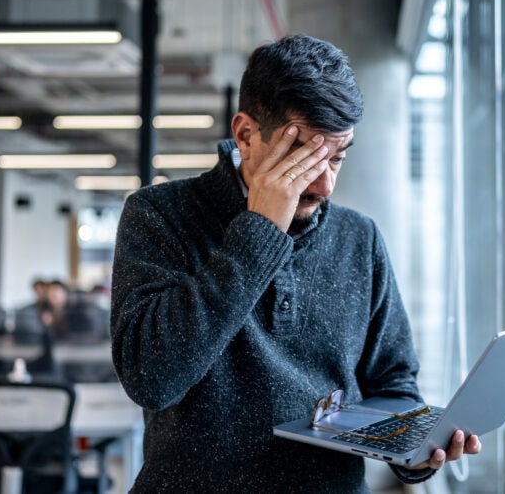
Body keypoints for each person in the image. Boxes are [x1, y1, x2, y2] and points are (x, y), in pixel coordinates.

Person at [110, 34, 480, 492]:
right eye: (305, 157)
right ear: (245, 135)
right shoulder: (159, 214)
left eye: (338, 159)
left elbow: (392, 380)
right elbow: (153, 379)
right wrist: (260, 232)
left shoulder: (359, 237)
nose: (324, 185)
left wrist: (415, 447)